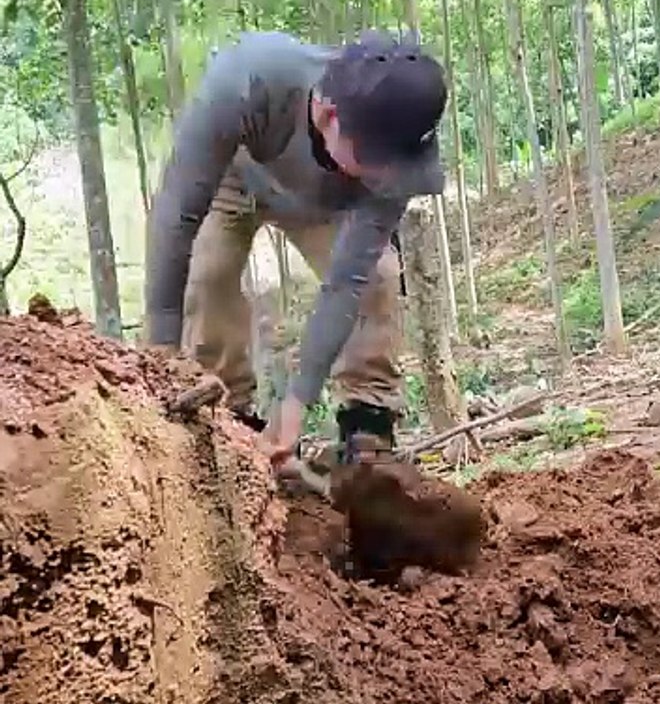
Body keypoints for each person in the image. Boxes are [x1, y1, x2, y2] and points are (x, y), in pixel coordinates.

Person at [144, 29, 447, 469]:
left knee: (377, 278)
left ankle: (367, 434)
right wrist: (162, 357)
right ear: (328, 114)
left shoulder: (390, 159)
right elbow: (176, 219)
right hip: (231, 172)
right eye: (376, 159)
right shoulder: (245, 80)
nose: (389, 176)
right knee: (205, 275)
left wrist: (297, 402)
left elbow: (349, 280)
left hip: (325, 198)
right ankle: (228, 424)